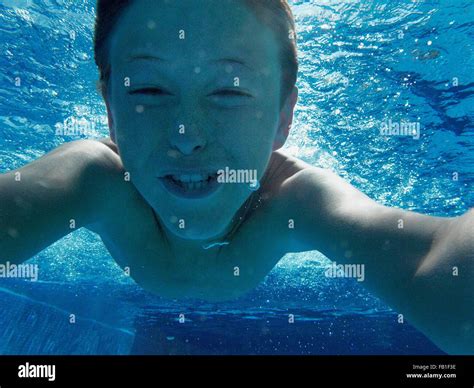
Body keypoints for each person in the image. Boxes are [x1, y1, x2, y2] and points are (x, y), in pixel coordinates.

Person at [0, 0, 472, 354]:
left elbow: (438, 270)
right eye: (148, 88)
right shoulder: (94, 180)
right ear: (109, 109)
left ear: (284, 115)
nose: (187, 137)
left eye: (229, 90)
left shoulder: (292, 202)